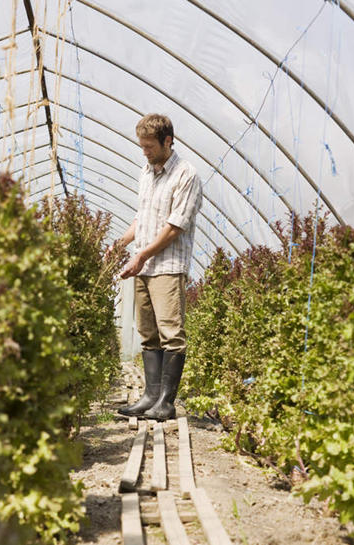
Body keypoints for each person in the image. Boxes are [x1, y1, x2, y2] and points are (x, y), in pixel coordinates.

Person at [111, 114, 203, 421]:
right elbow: (143, 218)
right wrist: (121, 244)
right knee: (148, 333)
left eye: (150, 146)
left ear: (168, 141)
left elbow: (176, 226)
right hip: (145, 265)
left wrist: (142, 256)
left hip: (167, 265)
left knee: (170, 333)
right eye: (142, 147)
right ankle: (150, 396)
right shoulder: (146, 172)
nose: (145, 152)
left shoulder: (186, 175)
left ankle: (166, 402)